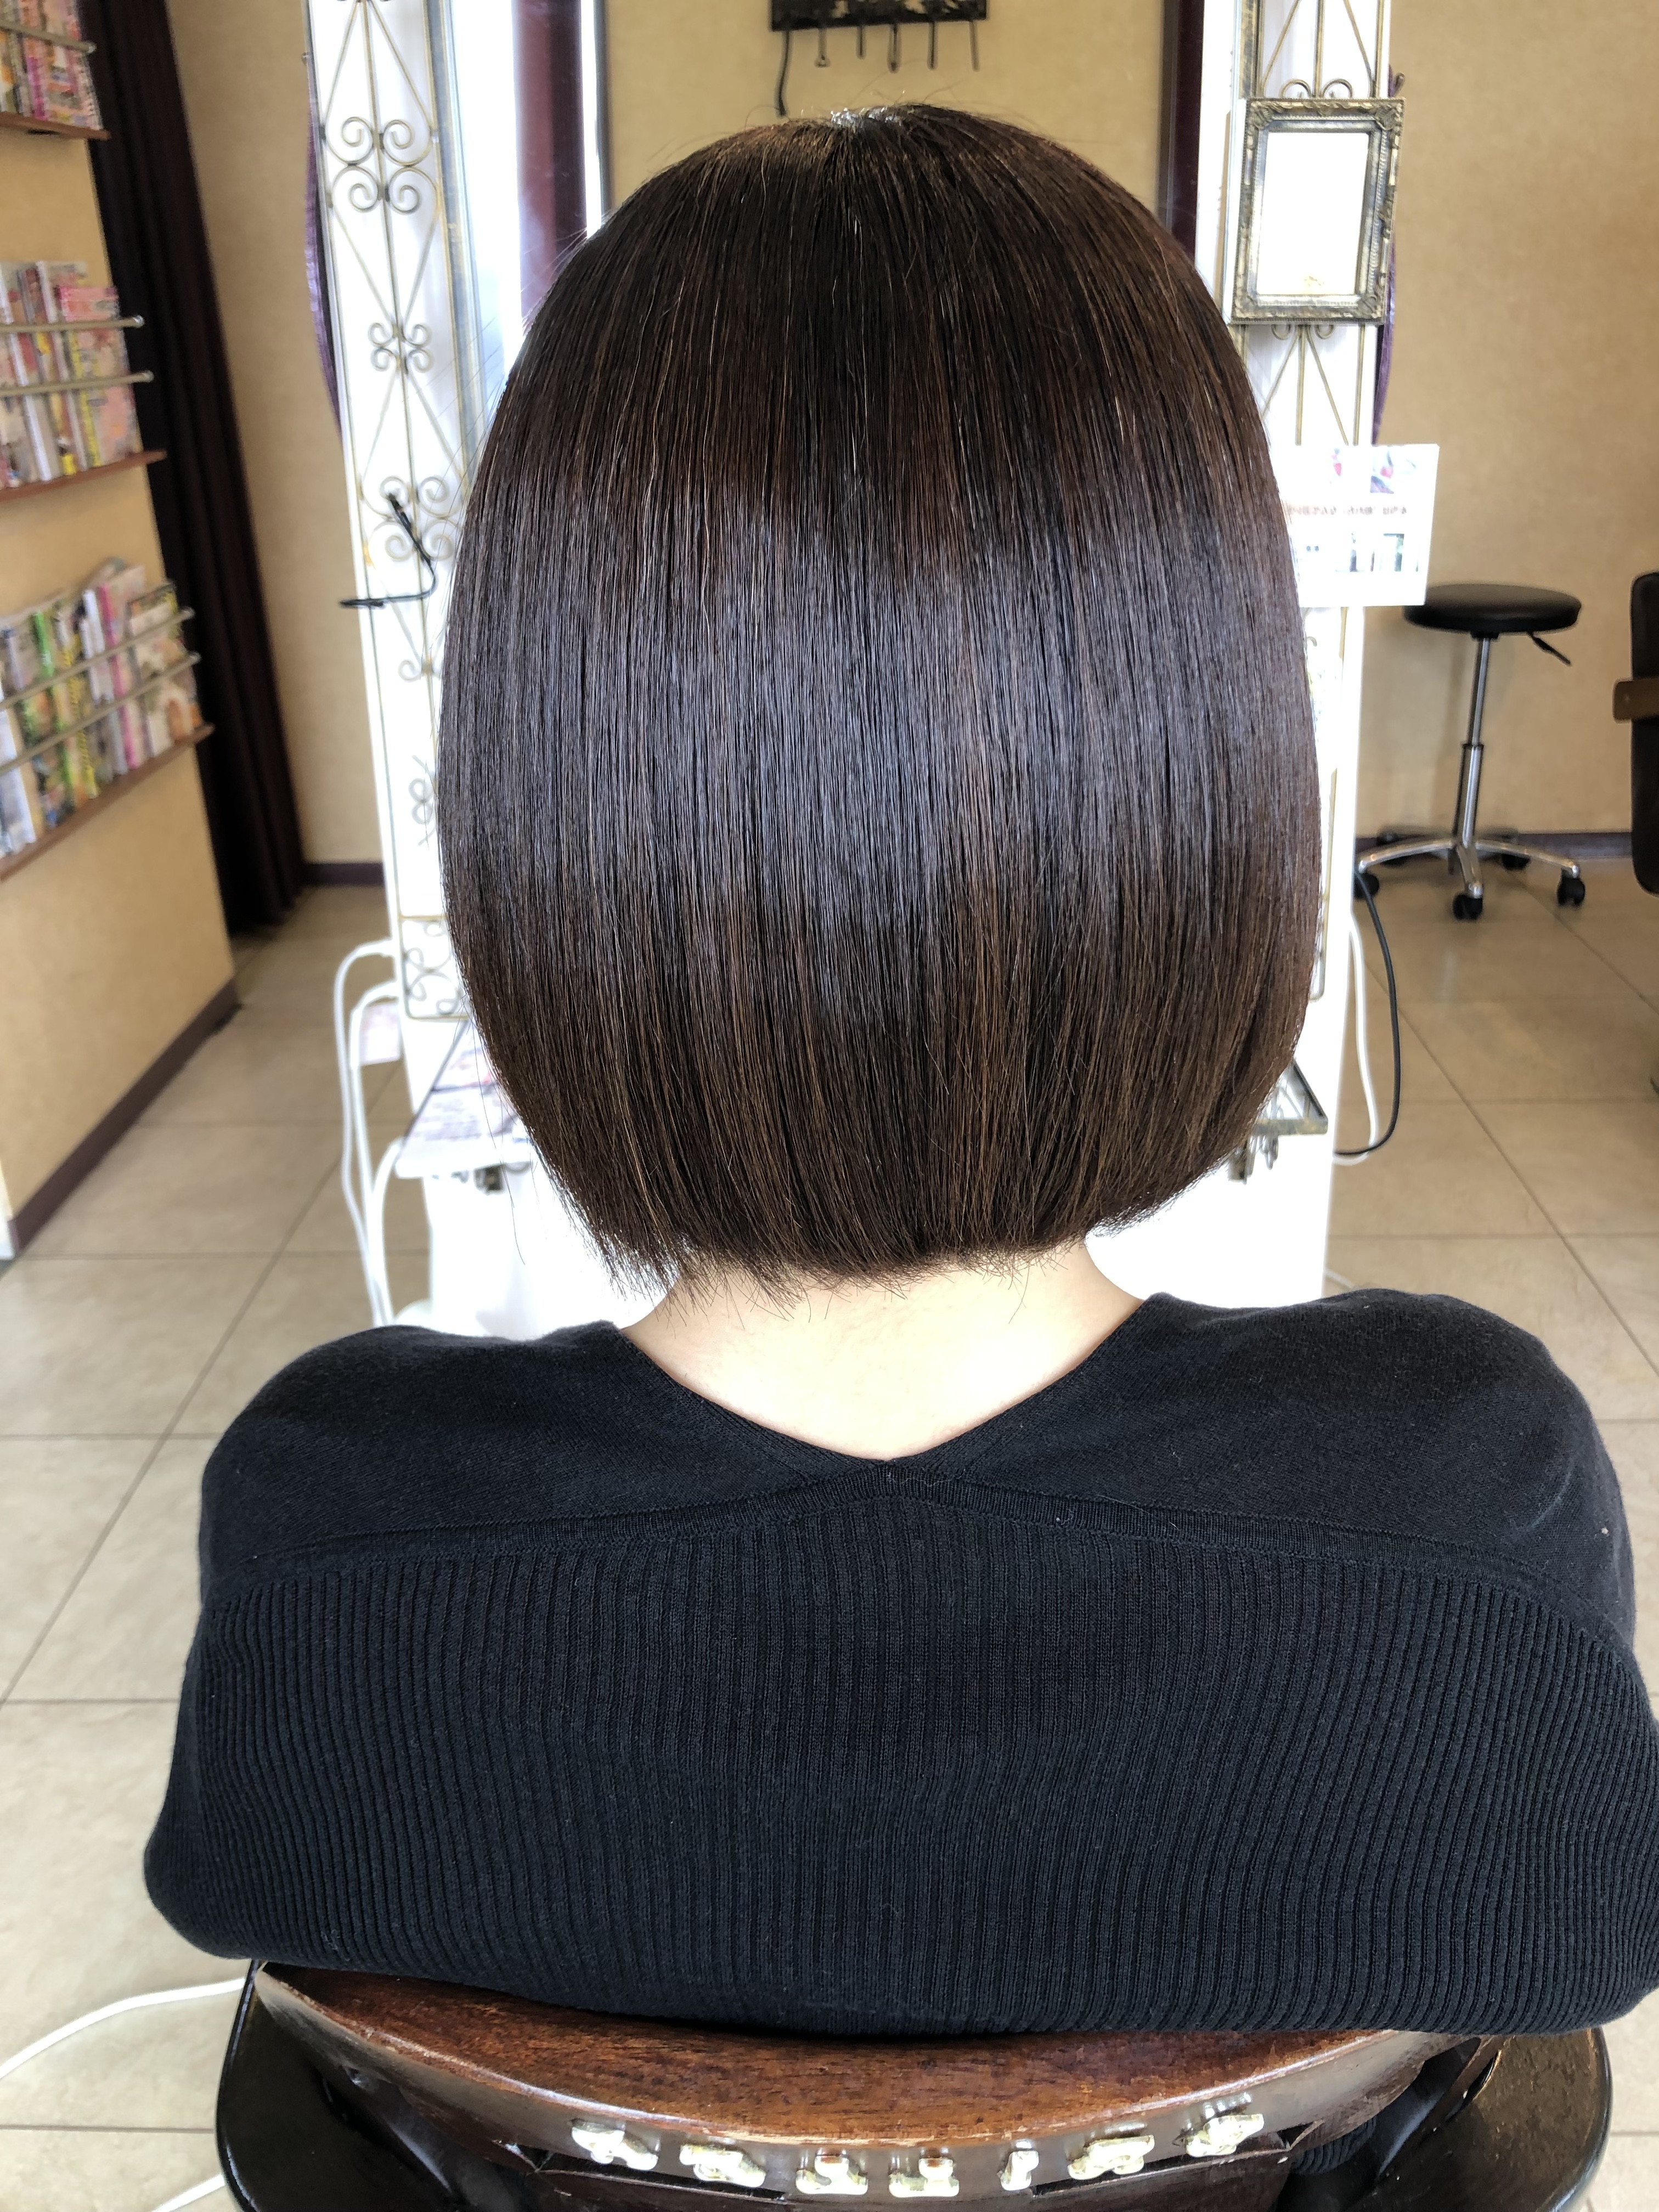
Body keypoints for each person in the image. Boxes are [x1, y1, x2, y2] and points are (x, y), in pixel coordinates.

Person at [148, 106, 1658, 2040]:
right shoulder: (1466, 1504)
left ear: (545, 804)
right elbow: (1566, 1952)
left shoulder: (334, 1537)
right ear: (1200, 775)